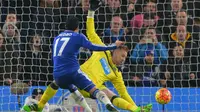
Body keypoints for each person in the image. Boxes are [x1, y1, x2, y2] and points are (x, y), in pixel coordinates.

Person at [23, 0, 152, 112]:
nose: (123, 59)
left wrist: (134, 106)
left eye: (125, 57)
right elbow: (91, 32)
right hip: (78, 78)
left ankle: (136, 110)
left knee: (109, 93)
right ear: (115, 50)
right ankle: (40, 106)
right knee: (98, 91)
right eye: (122, 55)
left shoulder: (116, 73)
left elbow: (124, 94)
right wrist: (91, 13)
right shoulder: (103, 51)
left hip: (89, 87)